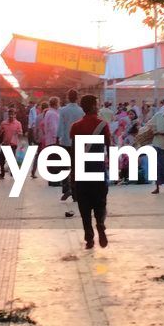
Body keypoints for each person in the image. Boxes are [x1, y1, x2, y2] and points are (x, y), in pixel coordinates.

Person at [70, 94, 112, 248]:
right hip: (98, 169)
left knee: (84, 205)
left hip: (82, 169)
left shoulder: (76, 126)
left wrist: (73, 174)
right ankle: (100, 223)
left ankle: (89, 238)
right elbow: (109, 147)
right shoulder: (103, 124)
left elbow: (74, 152)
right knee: (100, 202)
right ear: (94, 106)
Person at [57, 88, 84, 199]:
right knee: (76, 167)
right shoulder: (81, 111)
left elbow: (60, 127)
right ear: (77, 98)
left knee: (65, 165)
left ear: (68, 97)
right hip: (78, 142)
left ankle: (66, 187)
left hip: (65, 141)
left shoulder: (62, 110)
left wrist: (58, 138)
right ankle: (75, 191)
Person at [0, 107, 24, 178]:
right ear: (8, 115)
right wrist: (0, 133)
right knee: (1, 159)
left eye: (12, 114)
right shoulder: (4, 123)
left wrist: (18, 133)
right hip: (5, 144)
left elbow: (21, 133)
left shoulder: (18, 123)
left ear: (15, 115)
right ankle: (2, 172)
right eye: (9, 114)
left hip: (13, 144)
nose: (11, 116)